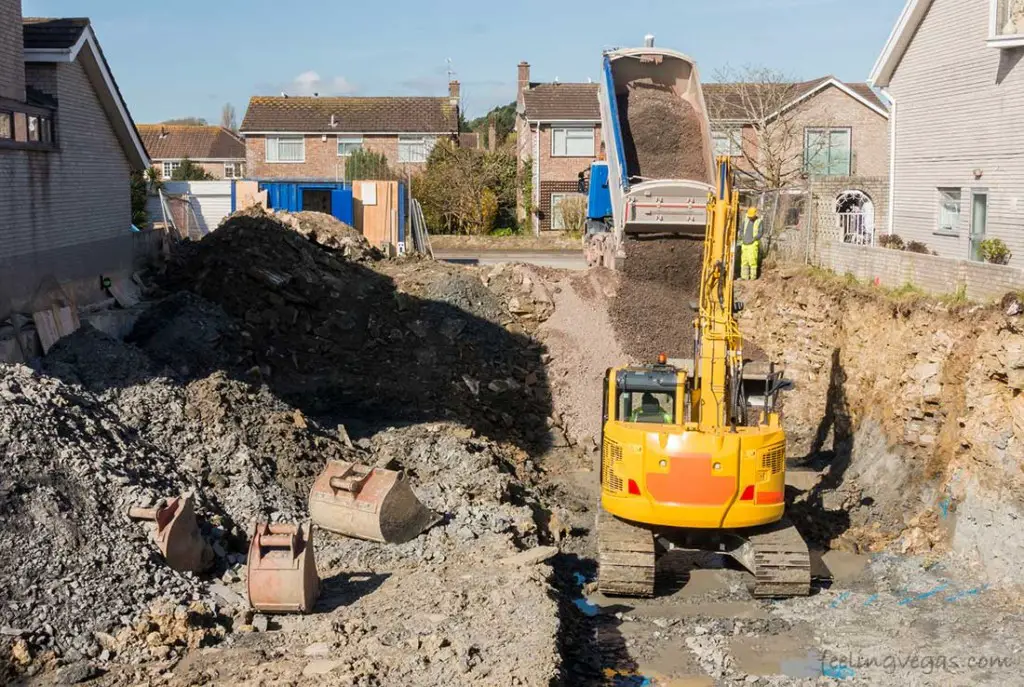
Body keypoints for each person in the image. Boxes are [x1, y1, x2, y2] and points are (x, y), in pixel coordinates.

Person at [740, 207, 764, 280]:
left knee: (752, 261)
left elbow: (760, 233)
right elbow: (741, 230)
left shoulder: (759, 221)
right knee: (744, 261)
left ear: (755, 215)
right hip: (744, 244)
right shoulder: (746, 220)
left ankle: (752, 277)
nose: (750, 218)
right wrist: (742, 237)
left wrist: (754, 239)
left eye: (751, 216)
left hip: (753, 244)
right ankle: (744, 277)